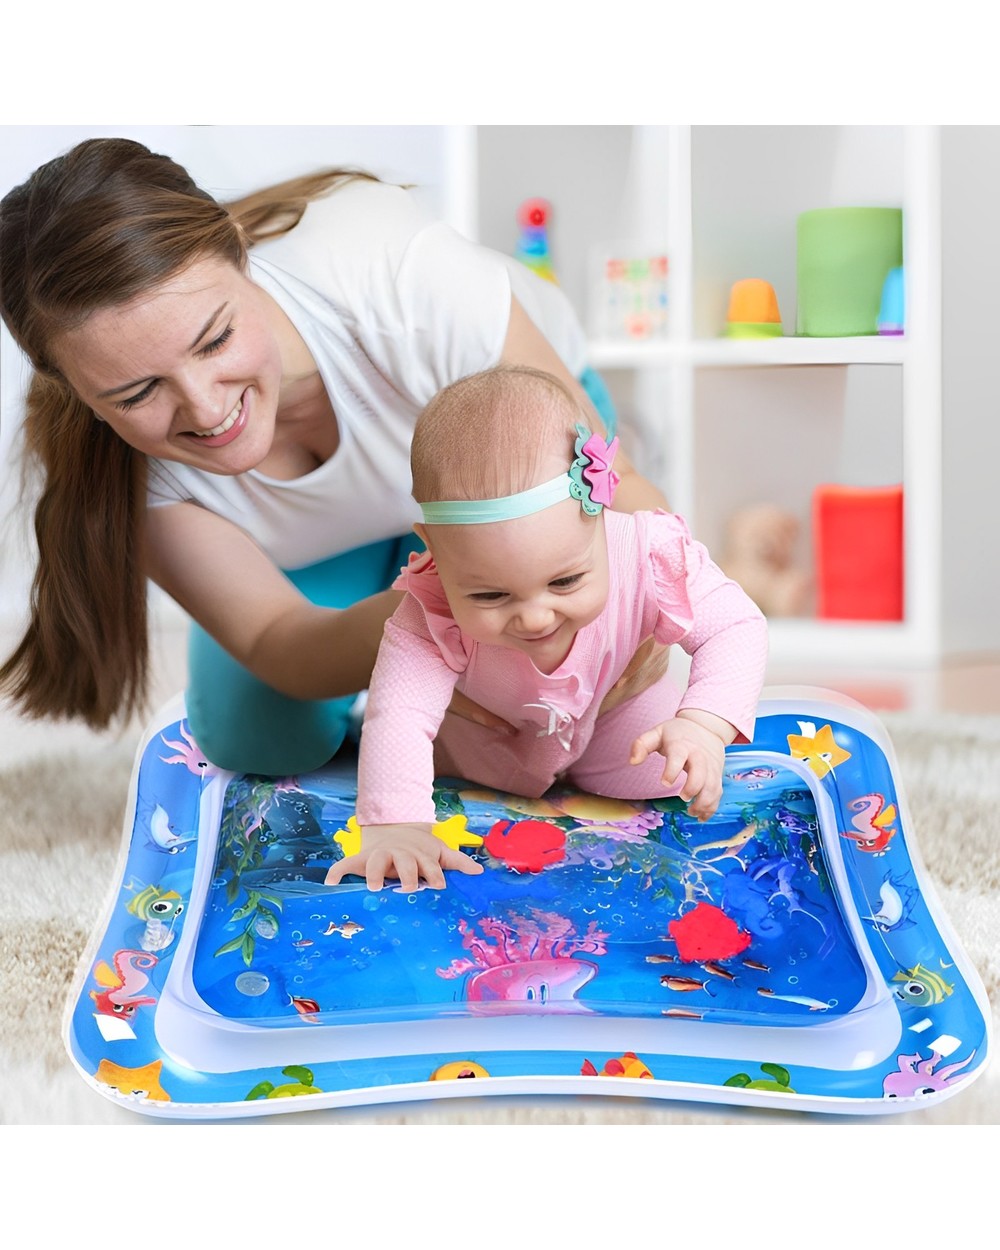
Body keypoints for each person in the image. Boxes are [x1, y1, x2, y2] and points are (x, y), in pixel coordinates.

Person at [0, 137, 669, 775]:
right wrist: (427, 645)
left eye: (214, 340)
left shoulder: (392, 270)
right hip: (346, 539)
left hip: (512, 454)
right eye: (138, 391)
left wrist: (648, 615)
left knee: (583, 716)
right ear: (73, 388)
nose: (206, 410)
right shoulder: (123, 468)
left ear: (241, 254)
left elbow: (626, 489)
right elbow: (276, 640)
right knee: (255, 736)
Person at [326, 365, 769, 892]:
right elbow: (399, 711)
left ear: (602, 514)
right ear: (435, 551)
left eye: (565, 581)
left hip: (616, 715)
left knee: (671, 781)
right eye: (490, 595)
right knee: (444, 788)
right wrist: (396, 824)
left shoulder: (647, 553)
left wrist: (703, 723)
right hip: (483, 740)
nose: (536, 617)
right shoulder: (432, 609)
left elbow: (736, 626)